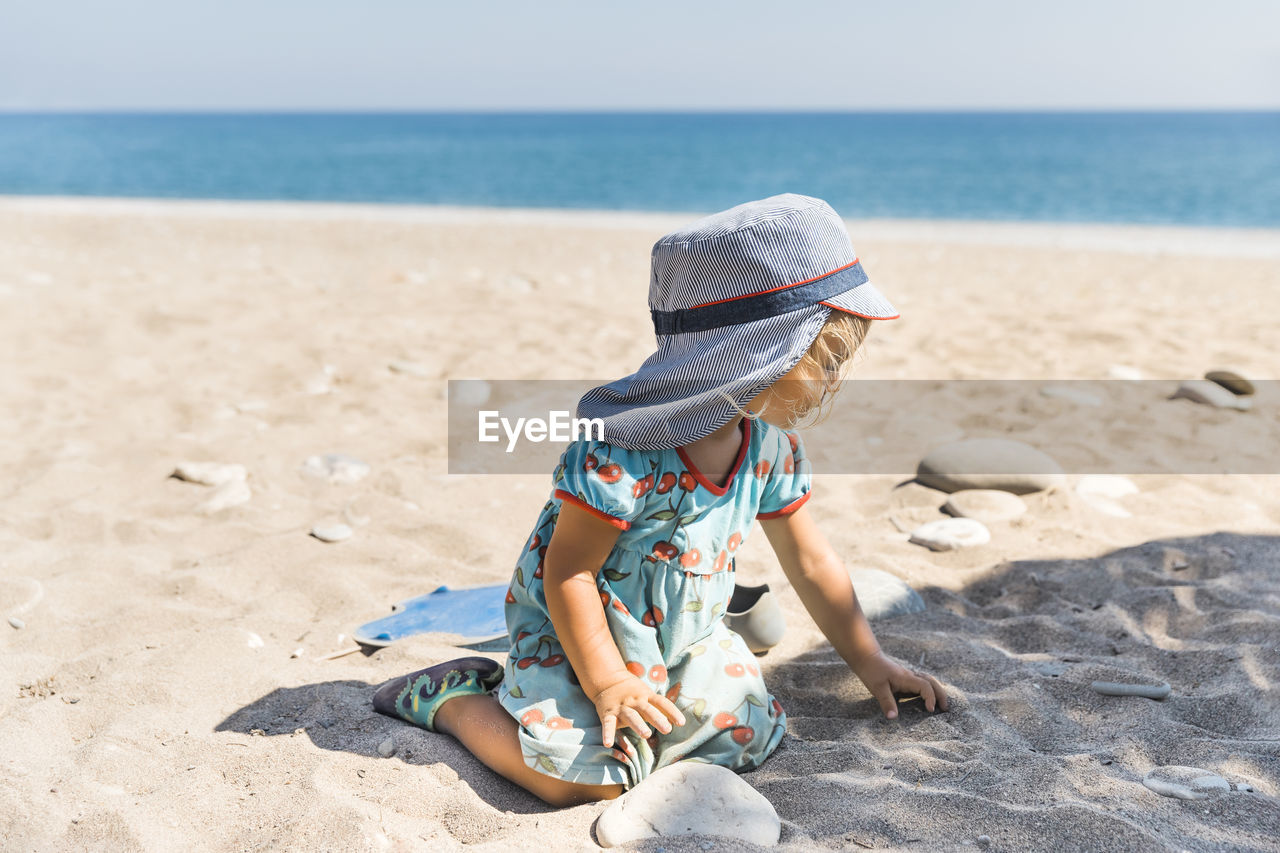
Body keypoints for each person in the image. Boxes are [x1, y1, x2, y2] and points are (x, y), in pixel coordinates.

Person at [373, 194, 949, 807]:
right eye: (824, 356)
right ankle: (456, 701)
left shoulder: (771, 450)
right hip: (582, 639)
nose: (834, 378)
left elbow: (812, 563)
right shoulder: (623, 453)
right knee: (574, 782)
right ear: (758, 352)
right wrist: (607, 683)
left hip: (682, 640)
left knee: (751, 738)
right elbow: (567, 570)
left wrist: (871, 661)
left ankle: (550, 698)